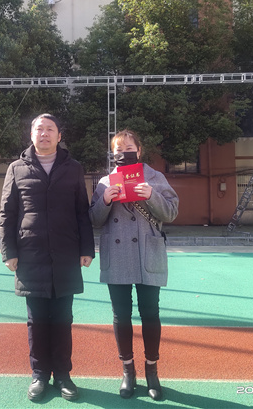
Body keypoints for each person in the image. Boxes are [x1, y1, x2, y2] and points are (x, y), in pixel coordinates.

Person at [0, 113, 95, 402]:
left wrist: (87, 248)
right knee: (37, 320)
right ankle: (39, 374)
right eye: (39, 129)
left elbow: (82, 211)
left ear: (59, 136)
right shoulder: (16, 168)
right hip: (31, 254)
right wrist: (8, 251)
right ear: (31, 135)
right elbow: (7, 213)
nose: (44, 133)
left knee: (63, 319)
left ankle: (63, 374)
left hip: (66, 253)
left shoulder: (73, 168)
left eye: (50, 129)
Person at [89, 129, 179, 401]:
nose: (124, 153)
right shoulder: (105, 181)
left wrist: (151, 195)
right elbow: (93, 219)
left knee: (150, 314)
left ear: (139, 151)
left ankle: (152, 370)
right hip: (117, 255)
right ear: (113, 154)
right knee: (121, 315)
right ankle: (128, 370)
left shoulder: (155, 177)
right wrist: (105, 200)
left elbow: (171, 212)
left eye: (129, 149)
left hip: (147, 252)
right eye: (119, 150)